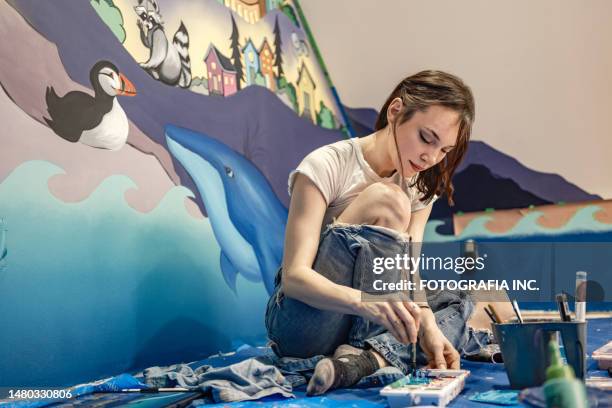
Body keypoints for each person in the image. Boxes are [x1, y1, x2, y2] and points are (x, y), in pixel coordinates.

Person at [265, 70, 480, 396]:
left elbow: (409, 271)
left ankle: (362, 362)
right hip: (304, 327)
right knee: (389, 200)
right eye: (426, 138)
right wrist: (366, 303)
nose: (431, 157)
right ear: (395, 111)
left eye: (444, 151)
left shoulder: (423, 187)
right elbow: (295, 278)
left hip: (364, 324)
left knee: (467, 297)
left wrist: (428, 323)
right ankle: (381, 352)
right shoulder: (327, 164)